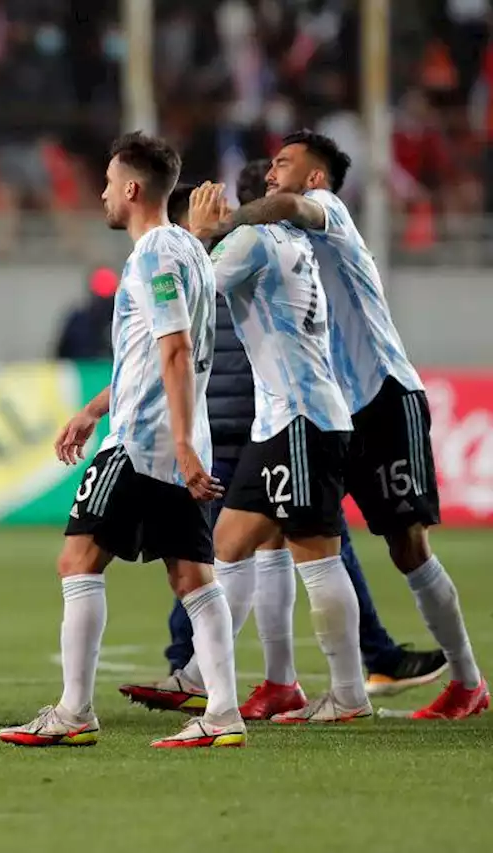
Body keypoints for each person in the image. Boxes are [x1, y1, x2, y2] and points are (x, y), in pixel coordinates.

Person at [126, 167, 446, 720]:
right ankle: (232, 678)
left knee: (307, 552)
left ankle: (342, 692)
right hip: (286, 421)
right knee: (236, 545)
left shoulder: (253, 241)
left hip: (300, 418)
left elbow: (191, 287)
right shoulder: (291, 241)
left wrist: (198, 234)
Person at [196, 130, 487, 720]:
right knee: (284, 532)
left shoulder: (325, 211)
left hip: (382, 398)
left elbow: (282, 205)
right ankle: (287, 681)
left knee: (407, 547)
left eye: (285, 163)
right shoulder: (280, 245)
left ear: (316, 178)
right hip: (328, 409)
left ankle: (466, 679)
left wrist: (223, 224)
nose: (272, 172)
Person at [0, 132, 244, 750]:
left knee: (78, 560)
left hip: (143, 443)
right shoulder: (188, 249)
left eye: (109, 183)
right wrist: (90, 408)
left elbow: (176, 349)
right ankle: (223, 714)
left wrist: (179, 442)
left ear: (132, 189)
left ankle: (75, 711)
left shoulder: (155, 255)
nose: (102, 193)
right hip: (173, 437)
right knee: (193, 575)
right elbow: (147, 354)